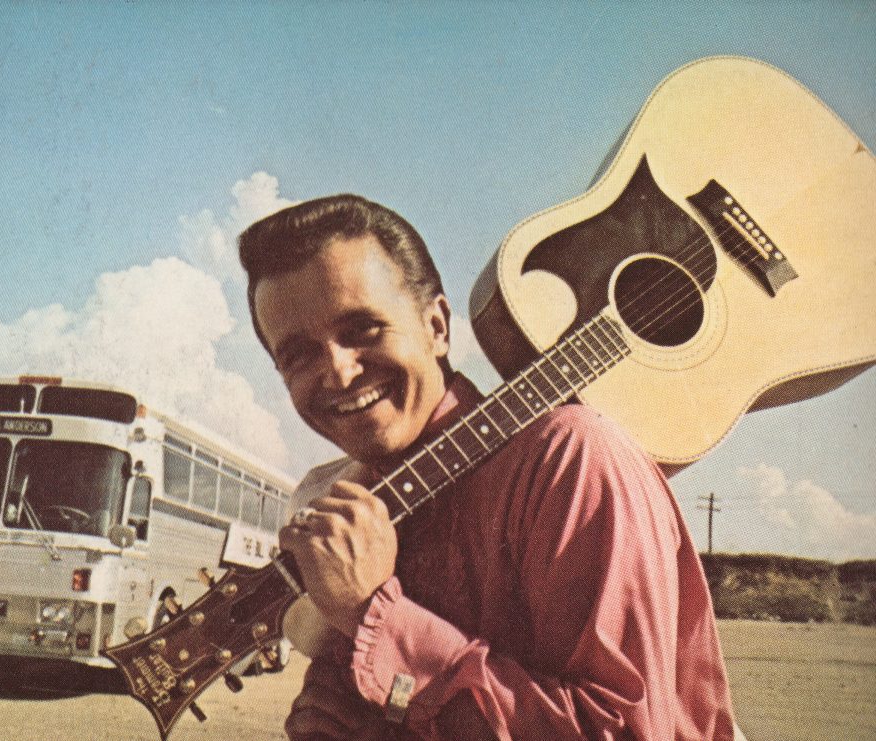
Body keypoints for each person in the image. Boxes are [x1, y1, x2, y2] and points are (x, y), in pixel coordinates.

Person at [238, 194, 738, 740]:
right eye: (300, 355)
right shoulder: (349, 507)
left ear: (437, 328)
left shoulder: (570, 458)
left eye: (363, 330)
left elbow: (622, 732)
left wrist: (374, 616)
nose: (338, 371)